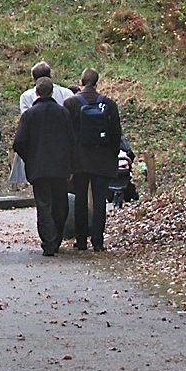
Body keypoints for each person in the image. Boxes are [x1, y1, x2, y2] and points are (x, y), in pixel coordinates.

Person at [12, 77, 74, 256]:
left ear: (36, 92)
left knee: (43, 204)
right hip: (60, 167)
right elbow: (71, 140)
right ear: (52, 92)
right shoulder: (63, 113)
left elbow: (19, 143)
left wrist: (30, 158)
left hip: (38, 167)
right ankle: (57, 238)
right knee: (60, 202)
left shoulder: (30, 114)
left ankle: (48, 240)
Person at [64, 68, 122, 252]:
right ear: (97, 82)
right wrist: (112, 155)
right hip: (102, 159)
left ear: (80, 81)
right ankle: (98, 241)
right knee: (99, 201)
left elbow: (66, 134)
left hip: (79, 160)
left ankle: (81, 240)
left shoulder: (70, 103)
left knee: (80, 199)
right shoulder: (109, 104)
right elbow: (116, 134)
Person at [11, 62, 75, 186]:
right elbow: (71, 134)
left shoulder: (26, 98)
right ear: (50, 75)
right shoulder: (67, 94)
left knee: (43, 200)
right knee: (60, 198)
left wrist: (29, 158)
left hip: (38, 157)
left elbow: (21, 139)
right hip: (61, 158)